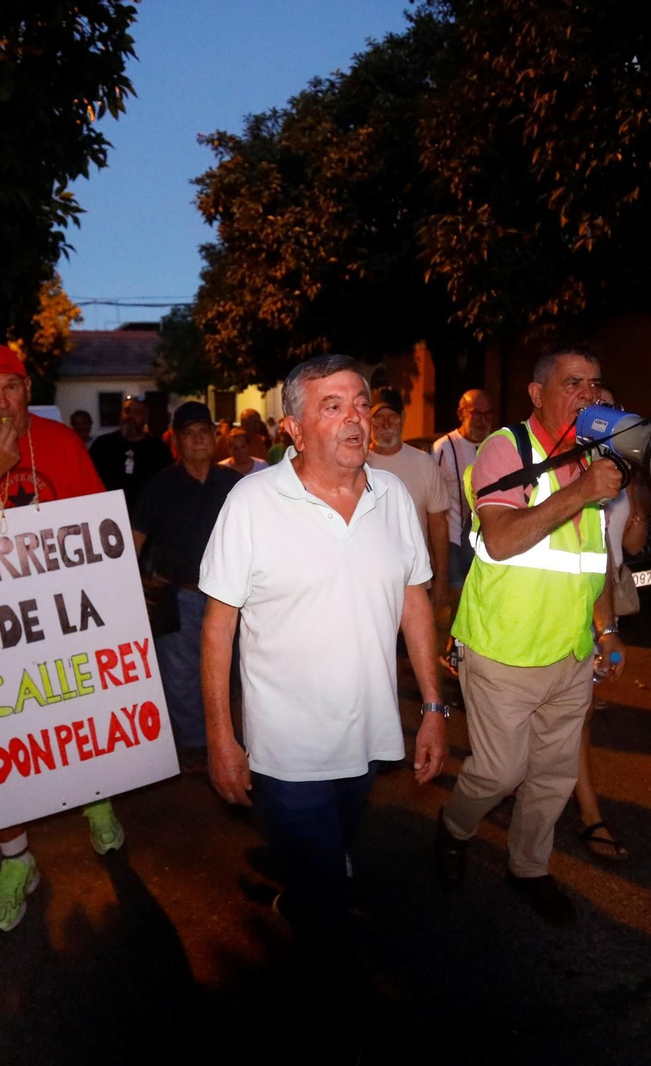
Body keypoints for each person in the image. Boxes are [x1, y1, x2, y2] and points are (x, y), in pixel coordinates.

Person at [200, 354, 448, 958]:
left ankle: (310, 894)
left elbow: (414, 603)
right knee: (325, 889)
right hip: (288, 746)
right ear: (293, 428)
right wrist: (220, 736)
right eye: (332, 407)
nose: (355, 419)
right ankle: (331, 994)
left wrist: (436, 707)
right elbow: (218, 628)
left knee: (338, 840)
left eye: (360, 403)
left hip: (368, 733)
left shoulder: (391, 496)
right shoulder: (252, 503)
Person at [0, 342, 125, 933]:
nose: (1, 401)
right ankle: (17, 861)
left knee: (84, 715)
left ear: (27, 389)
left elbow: (99, 533)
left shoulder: (60, 443)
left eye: (11, 386)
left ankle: (98, 798)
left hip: (64, 615)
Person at [434, 345, 623, 928]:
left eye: (594, 383)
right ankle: (454, 828)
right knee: (498, 772)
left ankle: (529, 867)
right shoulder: (505, 449)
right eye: (573, 383)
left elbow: (596, 560)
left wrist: (607, 629)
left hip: (569, 652)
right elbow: (501, 539)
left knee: (553, 775)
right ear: (538, 393)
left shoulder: (590, 458)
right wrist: (584, 491)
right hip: (503, 649)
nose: (587, 394)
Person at [131, 402, 242, 767]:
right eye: (188, 434)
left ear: (215, 437)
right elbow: (136, 540)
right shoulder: (160, 486)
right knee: (180, 677)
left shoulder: (236, 485)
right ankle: (198, 753)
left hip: (232, 599)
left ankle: (230, 741)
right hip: (178, 595)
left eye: (203, 432)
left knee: (232, 671)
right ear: (176, 441)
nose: (197, 440)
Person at [570, 385, 648, 860]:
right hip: (572, 597)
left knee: (579, 711)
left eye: (613, 406)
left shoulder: (623, 464)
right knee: (576, 713)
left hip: (605, 598)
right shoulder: (565, 462)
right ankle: (589, 812)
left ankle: (537, 785)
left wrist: (636, 499)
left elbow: (632, 547)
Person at [366, 389, 449, 605]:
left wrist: (441, 580)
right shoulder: (356, 464)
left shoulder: (424, 463)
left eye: (392, 416)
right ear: (368, 421)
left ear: (402, 419)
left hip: (415, 582)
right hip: (367, 584)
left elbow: (438, 525)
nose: (386, 424)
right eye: (378, 417)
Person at [431, 389, 496, 599]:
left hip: (487, 539)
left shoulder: (496, 445)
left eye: (487, 415)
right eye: (476, 414)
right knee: (458, 604)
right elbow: (433, 500)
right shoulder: (444, 448)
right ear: (461, 414)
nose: (482, 420)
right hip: (454, 541)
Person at [89, 395, 172, 510]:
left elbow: (167, 487)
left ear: (145, 418)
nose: (130, 417)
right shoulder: (102, 445)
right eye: (127, 411)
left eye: (137, 412)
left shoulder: (158, 450)